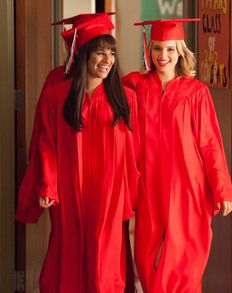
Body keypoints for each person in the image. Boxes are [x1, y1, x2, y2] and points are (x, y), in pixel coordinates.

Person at [16, 13, 140, 293]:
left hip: (109, 192)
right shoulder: (56, 97)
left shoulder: (126, 98)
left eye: (111, 53)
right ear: (83, 55)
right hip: (69, 190)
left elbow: (134, 150)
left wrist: (132, 191)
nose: (107, 60)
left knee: (106, 252)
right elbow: (46, 145)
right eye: (99, 52)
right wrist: (47, 184)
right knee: (68, 247)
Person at [122, 18, 232, 293]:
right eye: (158, 49)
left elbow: (210, 143)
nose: (163, 56)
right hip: (149, 185)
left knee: (187, 257)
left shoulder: (196, 93)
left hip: (187, 186)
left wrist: (223, 190)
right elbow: (103, 91)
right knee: (147, 257)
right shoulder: (135, 85)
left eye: (170, 49)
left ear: (181, 52)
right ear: (149, 50)